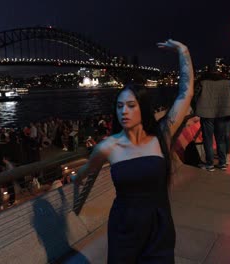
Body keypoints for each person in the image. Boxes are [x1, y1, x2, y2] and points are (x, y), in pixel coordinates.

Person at [71, 39, 193, 263]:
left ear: (143, 107)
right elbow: (88, 169)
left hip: (159, 225)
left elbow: (185, 94)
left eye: (130, 105)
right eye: (119, 106)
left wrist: (183, 52)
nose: (123, 112)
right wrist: (75, 179)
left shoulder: (161, 136)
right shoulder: (108, 147)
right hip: (124, 227)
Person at [195, 70, 230, 171]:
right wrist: (229, 106)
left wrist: (196, 107)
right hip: (222, 112)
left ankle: (210, 164)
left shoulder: (202, 82)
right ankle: (222, 163)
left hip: (206, 113)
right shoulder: (226, 83)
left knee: (208, 139)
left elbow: (194, 96)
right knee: (221, 139)